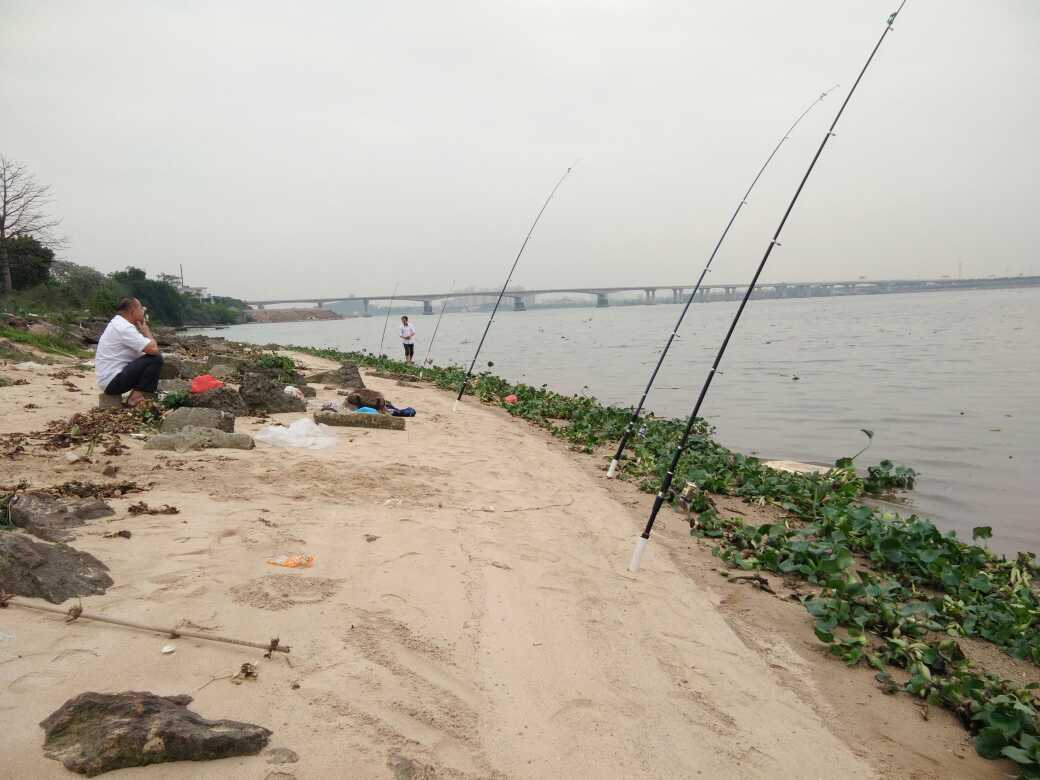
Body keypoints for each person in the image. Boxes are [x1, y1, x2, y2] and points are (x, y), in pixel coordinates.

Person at [95, 297, 163, 407]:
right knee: (156, 359)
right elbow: (154, 350)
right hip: (113, 382)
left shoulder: (118, 323)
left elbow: (142, 354)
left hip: (108, 380)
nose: (143, 311)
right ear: (133, 311)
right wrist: (146, 332)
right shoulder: (124, 328)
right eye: (141, 309)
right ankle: (135, 397)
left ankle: (138, 393)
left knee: (151, 359)